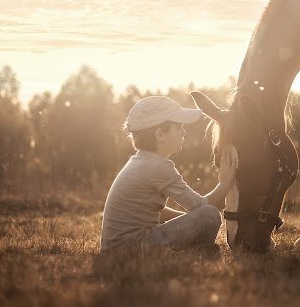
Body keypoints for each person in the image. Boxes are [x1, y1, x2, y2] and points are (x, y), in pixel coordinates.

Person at [99, 95, 237, 252]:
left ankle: (195, 252)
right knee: (210, 215)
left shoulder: (142, 161)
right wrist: (224, 183)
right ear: (160, 135)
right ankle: (193, 252)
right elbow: (199, 206)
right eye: (179, 128)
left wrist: (189, 219)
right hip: (132, 246)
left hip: (116, 247)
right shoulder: (158, 166)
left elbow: (156, 211)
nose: (184, 133)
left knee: (203, 215)